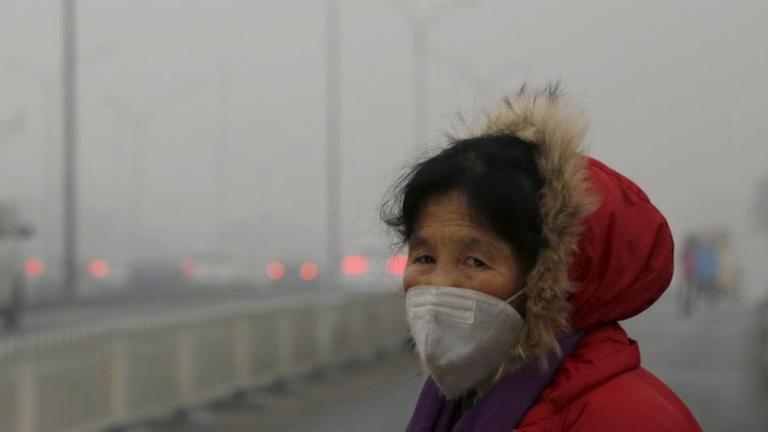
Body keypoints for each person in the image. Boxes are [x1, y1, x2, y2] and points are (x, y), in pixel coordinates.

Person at [382, 84, 702, 431]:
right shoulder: (456, 402)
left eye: (475, 261)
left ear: (547, 276)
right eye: (425, 258)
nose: (440, 284)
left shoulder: (629, 419)